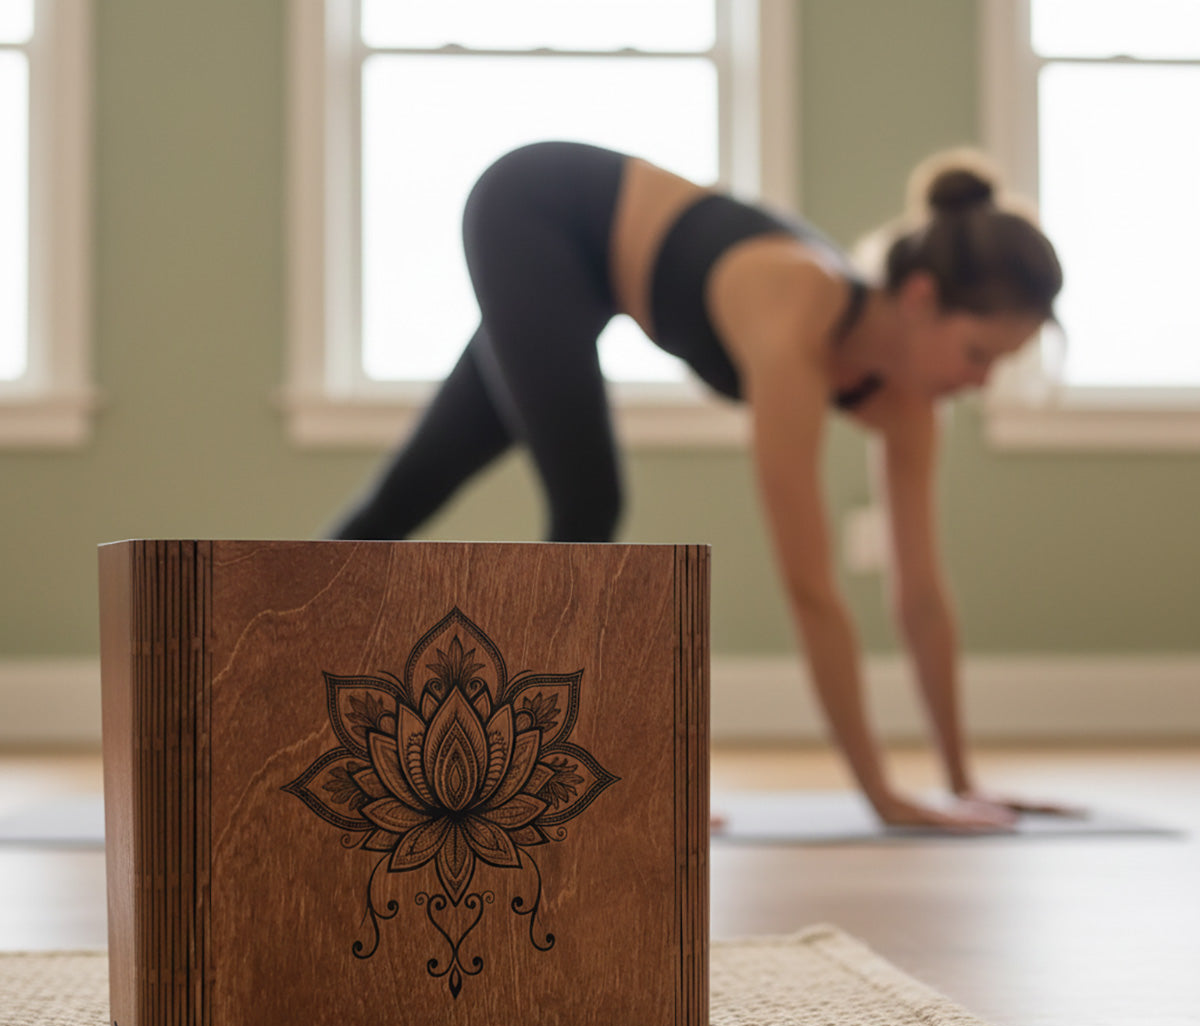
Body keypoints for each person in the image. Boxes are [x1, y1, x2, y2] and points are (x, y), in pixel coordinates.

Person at [330, 140, 1066, 832]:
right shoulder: (797, 311)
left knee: (400, 500)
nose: (979, 382)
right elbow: (810, 588)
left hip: (577, 281)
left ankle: (250, 686)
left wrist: (961, 784)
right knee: (588, 500)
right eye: (976, 353)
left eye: (996, 366)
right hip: (534, 209)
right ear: (919, 297)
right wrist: (882, 797)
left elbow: (922, 600)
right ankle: (562, 775)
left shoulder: (909, 405)